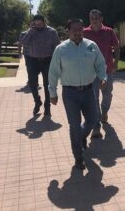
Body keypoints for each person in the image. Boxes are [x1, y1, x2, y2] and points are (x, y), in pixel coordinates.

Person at [48, 18, 107, 170]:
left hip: (88, 91)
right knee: (74, 125)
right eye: (74, 29)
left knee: (93, 119)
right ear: (68, 31)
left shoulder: (91, 46)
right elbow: (53, 72)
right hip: (70, 93)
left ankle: (80, 138)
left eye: (80, 28)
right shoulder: (61, 49)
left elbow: (100, 64)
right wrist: (52, 92)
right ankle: (78, 157)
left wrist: (103, 77)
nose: (77, 31)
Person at [83, 9, 120, 138]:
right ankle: (96, 126)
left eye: (96, 18)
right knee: (94, 98)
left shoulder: (109, 32)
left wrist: (116, 63)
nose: (94, 20)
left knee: (107, 94)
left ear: (101, 19)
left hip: (107, 69)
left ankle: (104, 111)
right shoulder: (84, 32)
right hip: (91, 71)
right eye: (92, 18)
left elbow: (116, 47)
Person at [21, 14, 60, 117]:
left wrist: (57, 62)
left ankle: (47, 107)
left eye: (40, 23)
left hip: (48, 61)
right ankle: (37, 101)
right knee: (32, 83)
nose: (38, 26)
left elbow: (57, 47)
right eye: (36, 24)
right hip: (33, 60)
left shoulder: (52, 32)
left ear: (44, 22)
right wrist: (31, 31)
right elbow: (23, 42)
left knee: (47, 85)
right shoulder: (31, 31)